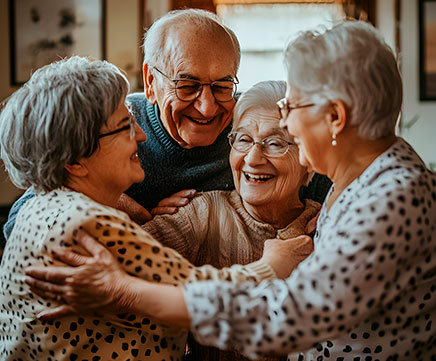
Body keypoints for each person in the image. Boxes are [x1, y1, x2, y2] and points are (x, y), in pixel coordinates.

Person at [26, 21, 436, 361]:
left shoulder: (388, 198)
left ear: (335, 117)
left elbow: (281, 321)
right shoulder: (362, 177)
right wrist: (115, 207)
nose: (285, 125)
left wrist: (125, 290)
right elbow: (45, 194)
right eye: (188, 86)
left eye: (290, 112)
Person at [0, 56, 313, 360]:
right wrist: (270, 267)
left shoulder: (48, 211)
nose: (142, 135)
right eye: (125, 125)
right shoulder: (88, 225)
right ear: (75, 161)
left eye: (276, 143)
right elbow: (196, 298)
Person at [2, 8, 332, 240]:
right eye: (186, 85)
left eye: (222, 85)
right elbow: (19, 221)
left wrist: (335, 207)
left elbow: (329, 174)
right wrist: (110, 203)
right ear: (150, 82)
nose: (207, 106)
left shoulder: (252, 121)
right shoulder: (116, 127)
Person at [140, 80, 320, 361]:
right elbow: (124, 260)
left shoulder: (328, 224)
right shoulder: (203, 214)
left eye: (275, 143)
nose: (253, 157)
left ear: (308, 158)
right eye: (243, 139)